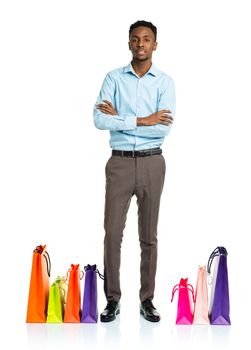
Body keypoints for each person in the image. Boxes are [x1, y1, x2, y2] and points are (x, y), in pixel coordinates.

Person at [93, 20, 175, 322]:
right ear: (129, 44)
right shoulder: (113, 79)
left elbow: (164, 126)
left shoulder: (165, 83)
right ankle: (112, 300)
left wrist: (123, 118)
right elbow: (99, 120)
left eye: (147, 39)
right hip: (120, 163)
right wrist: (143, 120)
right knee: (112, 233)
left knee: (148, 236)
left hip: (153, 162)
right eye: (135, 39)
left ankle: (147, 300)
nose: (141, 44)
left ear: (155, 45)